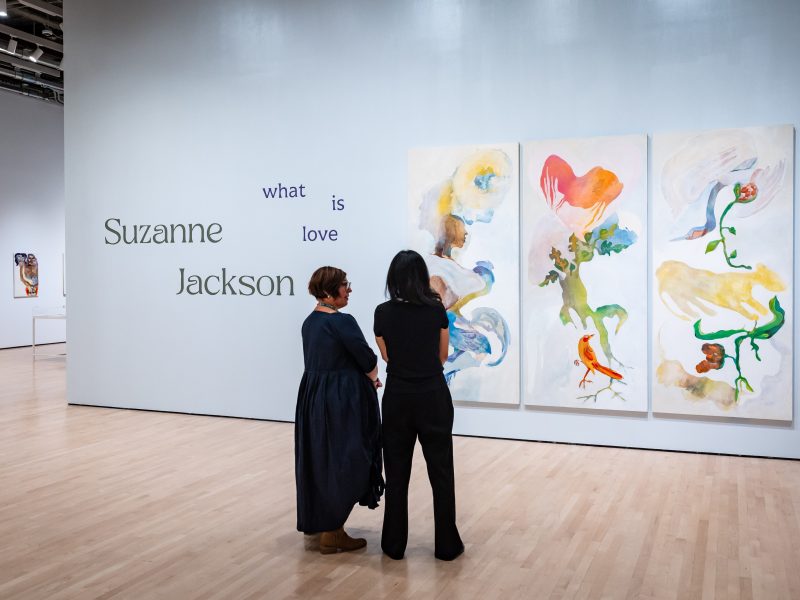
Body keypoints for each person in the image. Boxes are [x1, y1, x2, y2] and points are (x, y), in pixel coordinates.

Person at [373, 250, 464, 561]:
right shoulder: (435, 310)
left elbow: (387, 356)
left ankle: (393, 544)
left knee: (397, 474)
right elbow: (442, 356)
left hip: (397, 397)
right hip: (433, 396)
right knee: (441, 472)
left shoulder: (382, 313)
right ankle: (447, 545)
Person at [295, 266, 384, 554]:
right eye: (345, 285)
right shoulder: (342, 322)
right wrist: (373, 378)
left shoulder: (310, 322)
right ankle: (333, 531)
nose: (349, 289)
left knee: (321, 459)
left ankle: (323, 525)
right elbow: (367, 359)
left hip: (314, 398)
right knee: (349, 458)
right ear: (328, 290)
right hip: (341, 399)